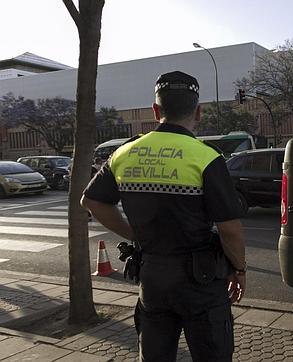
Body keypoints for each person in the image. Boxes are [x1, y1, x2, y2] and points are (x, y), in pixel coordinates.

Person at [81, 71, 246, 362]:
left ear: (156, 110)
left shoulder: (123, 154)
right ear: (199, 111)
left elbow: (91, 201)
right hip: (202, 282)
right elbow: (229, 228)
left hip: (153, 276)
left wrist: (134, 234)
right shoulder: (206, 157)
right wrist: (240, 270)